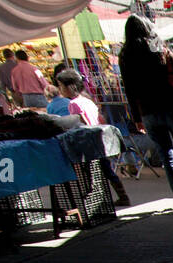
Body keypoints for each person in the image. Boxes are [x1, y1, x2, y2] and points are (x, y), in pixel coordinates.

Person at [118, 15, 173, 212]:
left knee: (167, 158)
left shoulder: (125, 57)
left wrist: (137, 118)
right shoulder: (161, 51)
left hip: (149, 113)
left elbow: (130, 92)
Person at [56, 68, 131, 207]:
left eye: (61, 86)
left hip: (87, 142)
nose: (59, 89)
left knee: (90, 173)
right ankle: (121, 195)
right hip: (99, 138)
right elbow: (100, 119)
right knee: (106, 169)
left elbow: (81, 123)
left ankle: (91, 200)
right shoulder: (87, 100)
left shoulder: (73, 104)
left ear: (71, 86)